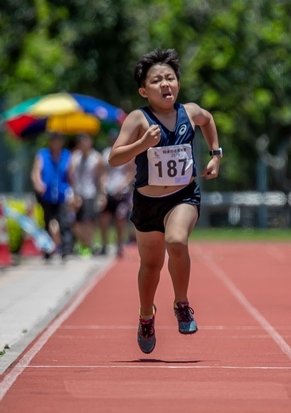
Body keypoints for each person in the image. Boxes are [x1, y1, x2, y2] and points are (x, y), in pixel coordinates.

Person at [108, 48, 221, 354]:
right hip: (147, 203)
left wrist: (216, 155)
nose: (165, 84)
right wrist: (142, 143)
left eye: (169, 78)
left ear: (178, 84)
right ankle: (146, 315)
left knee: (177, 241)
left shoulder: (190, 112)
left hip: (183, 196)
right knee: (151, 265)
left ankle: (181, 303)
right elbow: (114, 157)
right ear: (144, 90)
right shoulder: (138, 119)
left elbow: (208, 120)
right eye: (156, 80)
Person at [30, 132, 74, 260]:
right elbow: (36, 172)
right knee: (47, 221)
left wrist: (73, 192)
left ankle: (66, 249)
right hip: (46, 195)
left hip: (61, 194)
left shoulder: (66, 155)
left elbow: (71, 175)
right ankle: (47, 249)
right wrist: (38, 183)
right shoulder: (42, 155)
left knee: (63, 222)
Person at [99, 129, 135, 258]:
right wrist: (103, 189)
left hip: (122, 192)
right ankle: (104, 244)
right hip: (108, 190)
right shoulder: (105, 153)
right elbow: (102, 173)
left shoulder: (126, 152)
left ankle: (119, 244)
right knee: (104, 219)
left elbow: (131, 173)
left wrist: (123, 186)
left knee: (120, 219)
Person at [69, 134, 105, 256]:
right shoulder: (75, 157)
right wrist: (73, 193)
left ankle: (88, 245)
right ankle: (83, 243)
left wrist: (102, 194)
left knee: (88, 221)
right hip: (77, 193)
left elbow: (100, 178)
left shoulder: (96, 158)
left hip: (90, 192)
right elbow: (71, 176)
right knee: (76, 222)